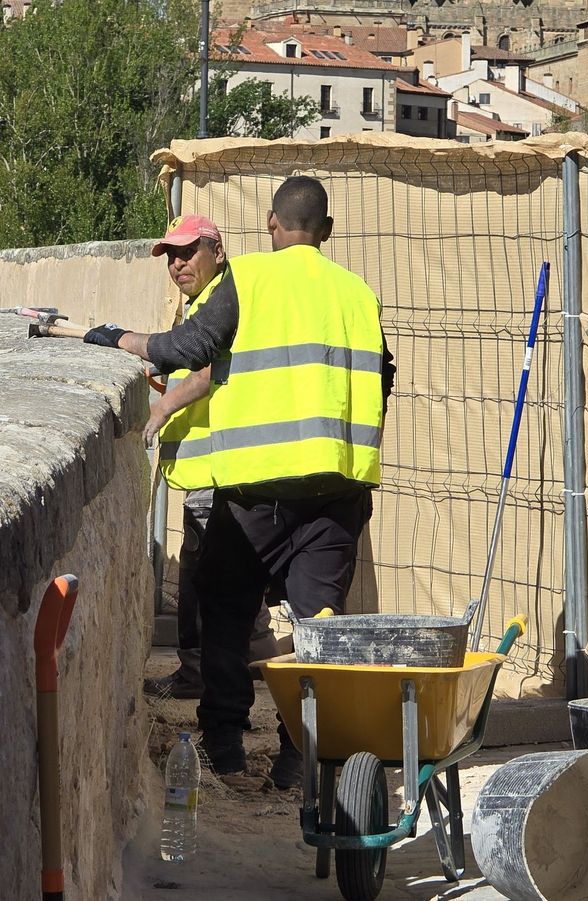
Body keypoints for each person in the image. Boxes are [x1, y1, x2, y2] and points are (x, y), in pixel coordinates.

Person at [84, 177, 393, 788]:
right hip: (337, 493)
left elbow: (190, 346)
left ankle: (224, 749)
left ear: (272, 226)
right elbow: (382, 378)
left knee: (226, 617)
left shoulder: (247, 279)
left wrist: (111, 338)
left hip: (252, 494)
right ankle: (298, 761)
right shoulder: (357, 293)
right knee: (319, 630)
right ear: (325, 232)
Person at [140, 214, 279, 700]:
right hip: (216, 468)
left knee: (205, 578)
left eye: (188, 252)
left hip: (219, 466)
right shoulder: (205, 302)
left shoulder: (225, 301)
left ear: (216, 252)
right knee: (236, 569)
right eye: (171, 256)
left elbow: (208, 373)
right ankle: (254, 656)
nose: (178, 264)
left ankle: (198, 673)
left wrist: (162, 407)